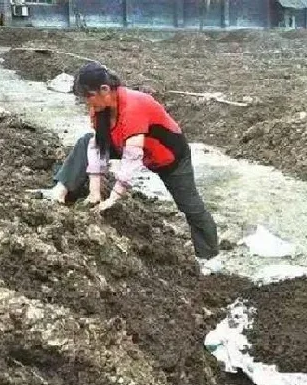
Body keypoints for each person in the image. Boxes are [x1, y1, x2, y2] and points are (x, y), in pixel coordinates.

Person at [43, 61, 219, 262]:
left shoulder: (133, 107)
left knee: (191, 208)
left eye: (89, 96)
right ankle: (61, 190)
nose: (88, 103)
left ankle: (209, 257)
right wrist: (94, 193)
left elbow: (131, 160)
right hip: (127, 143)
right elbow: (98, 147)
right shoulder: (99, 108)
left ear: (105, 89)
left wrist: (113, 198)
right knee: (86, 142)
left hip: (169, 157)